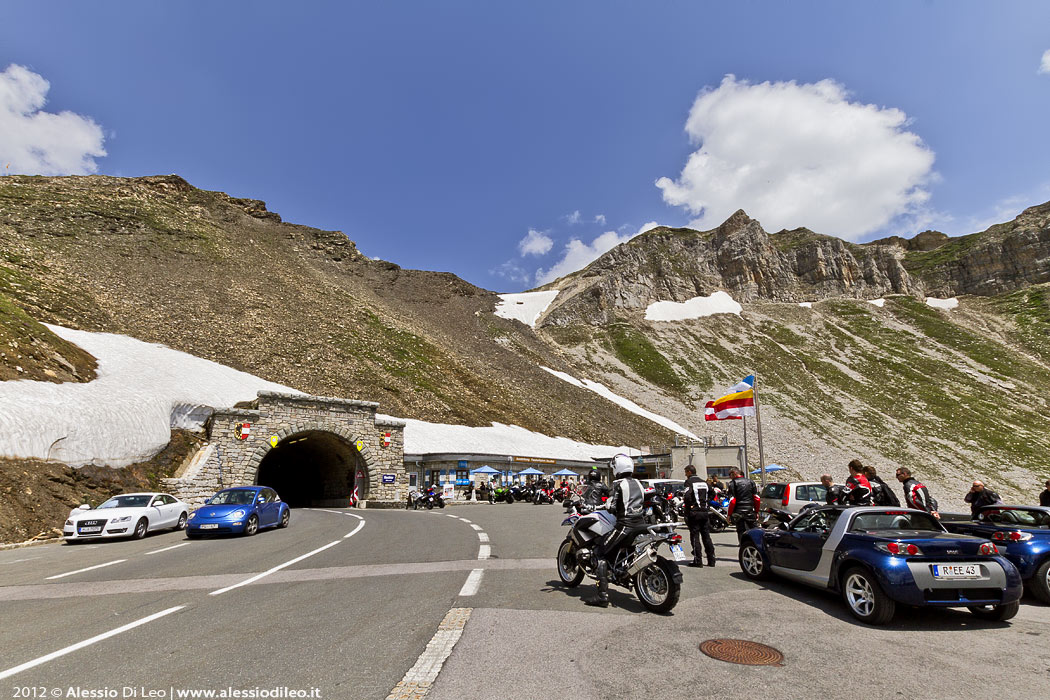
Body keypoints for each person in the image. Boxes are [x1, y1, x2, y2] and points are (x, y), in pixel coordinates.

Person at [585, 454, 644, 608]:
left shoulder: (618, 483)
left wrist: (599, 506)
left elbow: (611, 506)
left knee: (600, 553)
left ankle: (602, 596)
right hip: (641, 525)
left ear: (617, 468)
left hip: (625, 526)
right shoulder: (638, 482)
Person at [682, 465, 715, 567]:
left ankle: (698, 560)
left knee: (695, 536)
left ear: (689, 472)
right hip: (704, 512)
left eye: (686, 472)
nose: (685, 474)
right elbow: (712, 493)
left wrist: (690, 506)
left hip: (694, 512)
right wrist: (706, 502)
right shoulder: (703, 482)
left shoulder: (689, 482)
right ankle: (711, 560)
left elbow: (687, 495)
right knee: (706, 536)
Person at [726, 468, 759, 542]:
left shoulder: (732, 483)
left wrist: (729, 514)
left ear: (734, 474)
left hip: (738, 511)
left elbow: (732, 501)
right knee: (754, 529)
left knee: (740, 530)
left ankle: (743, 546)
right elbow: (757, 498)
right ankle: (756, 544)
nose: (729, 477)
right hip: (750, 510)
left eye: (730, 475)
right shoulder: (751, 482)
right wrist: (756, 511)